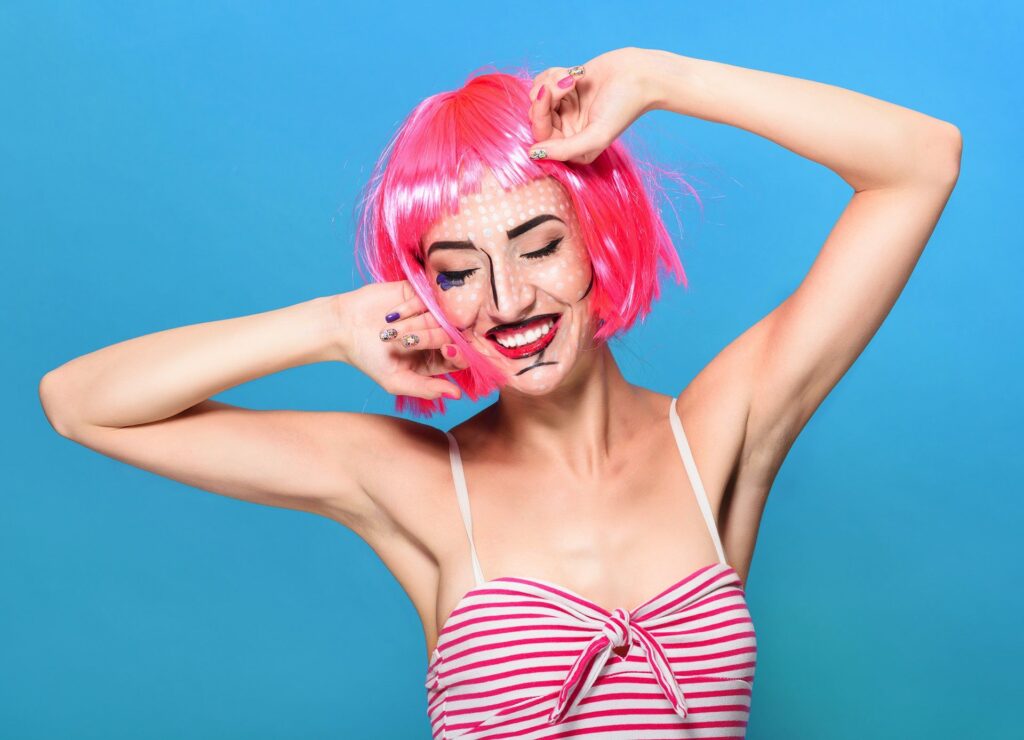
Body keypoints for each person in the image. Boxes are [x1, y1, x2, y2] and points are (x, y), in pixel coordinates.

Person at [38, 47, 961, 738]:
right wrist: (330, 326)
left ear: (601, 238)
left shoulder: (717, 433)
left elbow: (921, 161)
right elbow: (79, 401)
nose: (509, 300)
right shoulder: (417, 481)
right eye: (457, 271)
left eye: (540, 247)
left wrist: (660, 78)